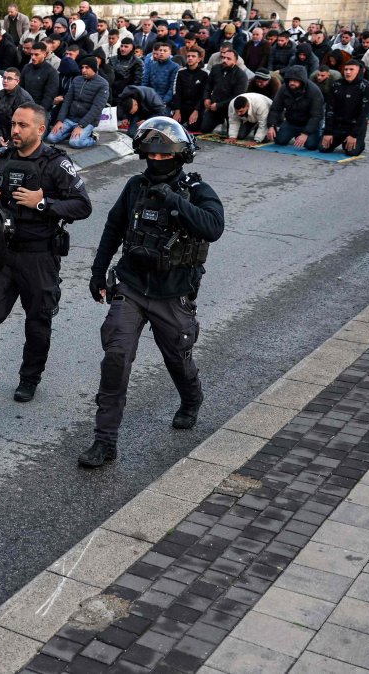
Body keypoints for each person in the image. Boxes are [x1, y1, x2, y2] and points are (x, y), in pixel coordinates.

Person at [82, 117, 224, 467]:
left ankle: (191, 399)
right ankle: (105, 441)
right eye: (151, 156)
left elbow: (213, 227)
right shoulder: (135, 187)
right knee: (115, 358)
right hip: (131, 287)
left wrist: (175, 201)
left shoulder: (195, 190)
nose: (157, 162)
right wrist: (98, 272)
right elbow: (113, 228)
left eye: (164, 157)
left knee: (177, 356)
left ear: (179, 156)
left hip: (172, 293)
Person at [0, 103, 92, 408]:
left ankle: (29, 378)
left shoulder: (55, 163)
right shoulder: (1, 157)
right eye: (13, 124)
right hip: (1, 253)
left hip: (39, 256)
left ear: (40, 129)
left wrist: (43, 203)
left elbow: (82, 204)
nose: (15, 130)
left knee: (38, 321)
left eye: (22, 125)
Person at [47, 56, 107, 148]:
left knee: (75, 143)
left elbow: (97, 108)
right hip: (70, 118)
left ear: (94, 68)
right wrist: (60, 120)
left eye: (87, 67)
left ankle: (92, 138)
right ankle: (71, 132)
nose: (83, 70)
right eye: (82, 67)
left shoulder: (103, 84)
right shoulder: (77, 80)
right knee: (51, 138)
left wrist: (81, 125)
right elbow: (67, 101)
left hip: (87, 122)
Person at [321, 61, 369, 157]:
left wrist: (354, 135)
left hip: (354, 126)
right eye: (346, 69)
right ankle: (340, 139)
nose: (348, 72)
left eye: (351, 69)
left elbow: (364, 114)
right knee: (323, 148)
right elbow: (329, 110)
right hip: (337, 126)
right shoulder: (336, 85)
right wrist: (327, 132)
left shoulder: (366, 87)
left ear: (358, 71)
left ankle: (359, 142)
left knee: (351, 152)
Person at [266, 65, 323, 150]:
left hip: (307, 123)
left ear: (302, 81)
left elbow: (316, 115)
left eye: (295, 80)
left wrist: (305, 133)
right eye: (290, 80)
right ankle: (296, 134)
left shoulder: (314, 91)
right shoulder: (284, 88)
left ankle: (315, 134)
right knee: (279, 141)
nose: (292, 83)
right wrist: (271, 125)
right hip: (291, 122)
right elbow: (275, 108)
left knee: (311, 145)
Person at [200, 48, 247, 134]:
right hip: (214, 106)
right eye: (223, 57)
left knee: (236, 134)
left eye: (229, 59)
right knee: (204, 129)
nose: (225, 60)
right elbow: (208, 86)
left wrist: (219, 105)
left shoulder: (241, 75)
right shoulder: (216, 68)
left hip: (231, 109)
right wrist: (206, 98)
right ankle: (219, 120)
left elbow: (237, 96)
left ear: (235, 61)